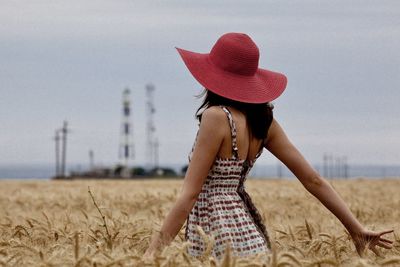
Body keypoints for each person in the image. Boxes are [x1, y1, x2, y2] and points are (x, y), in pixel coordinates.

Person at [143, 32, 394, 260]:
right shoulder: (264, 121)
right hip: (251, 238)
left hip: (215, 237)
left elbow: (190, 194)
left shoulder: (216, 117)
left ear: (213, 76)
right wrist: (356, 229)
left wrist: (151, 254)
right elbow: (313, 180)